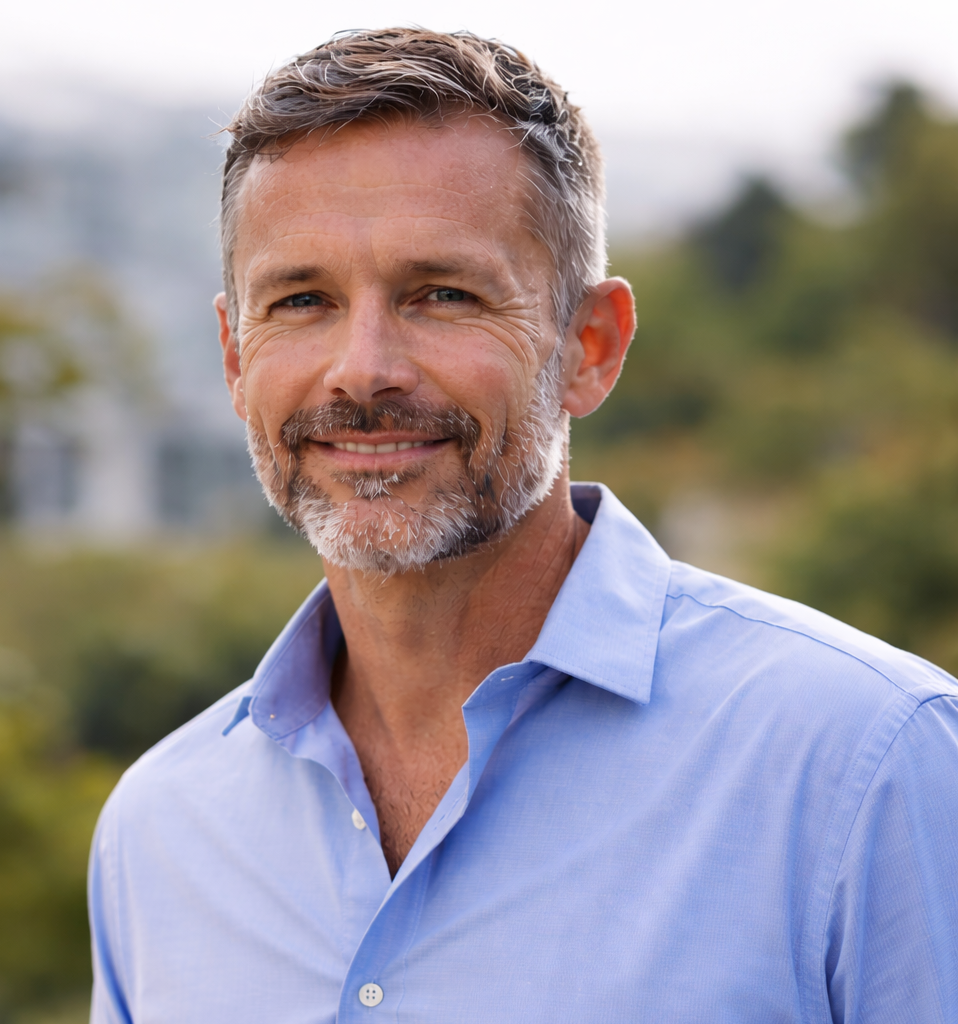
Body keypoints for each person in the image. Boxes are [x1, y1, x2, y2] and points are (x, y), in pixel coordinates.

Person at [88, 28, 958, 1024]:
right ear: (236, 356)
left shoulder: (871, 767)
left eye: (442, 294)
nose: (362, 369)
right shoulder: (162, 832)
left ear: (589, 346)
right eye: (302, 301)